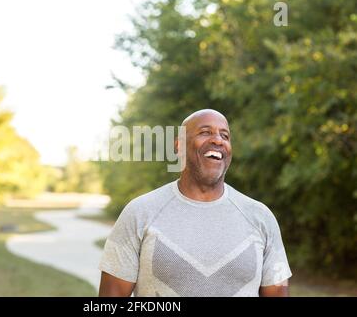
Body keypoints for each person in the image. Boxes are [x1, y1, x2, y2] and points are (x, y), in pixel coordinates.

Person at [98, 109, 292, 297]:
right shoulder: (140, 212)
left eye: (225, 136)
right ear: (179, 145)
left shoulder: (260, 216)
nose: (218, 140)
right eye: (205, 132)